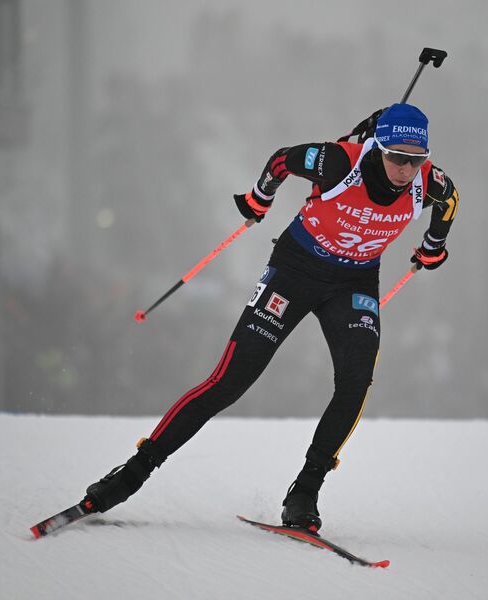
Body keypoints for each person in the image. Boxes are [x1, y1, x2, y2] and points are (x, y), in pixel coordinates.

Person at [83, 103, 459, 531]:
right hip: (296, 270)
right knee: (229, 382)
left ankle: (304, 493)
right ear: (378, 146)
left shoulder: (431, 182)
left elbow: (451, 201)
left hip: (354, 284)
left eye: (416, 159)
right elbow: (282, 159)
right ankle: (133, 472)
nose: (406, 169)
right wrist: (260, 198)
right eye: (396, 156)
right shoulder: (338, 162)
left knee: (356, 382)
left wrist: (433, 246)